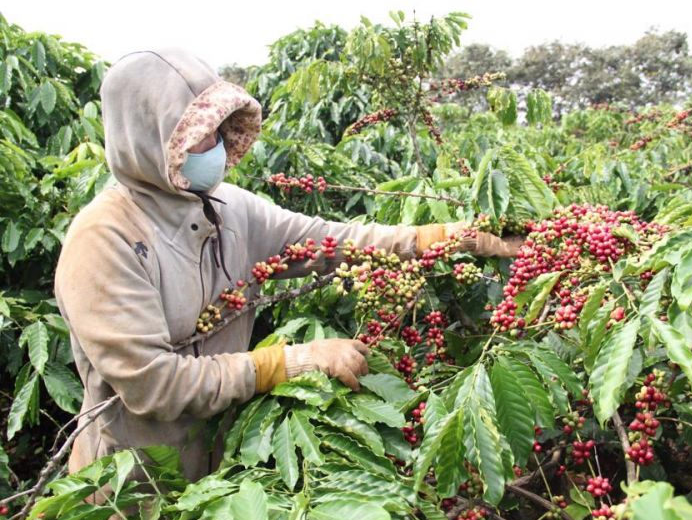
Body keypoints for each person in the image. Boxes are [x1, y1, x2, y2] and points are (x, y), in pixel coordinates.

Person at [54, 48, 522, 482]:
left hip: (222, 468)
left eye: (218, 132)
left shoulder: (231, 209)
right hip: (132, 488)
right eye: (197, 138)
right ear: (151, 141)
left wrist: (448, 239)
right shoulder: (105, 240)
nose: (215, 148)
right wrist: (291, 362)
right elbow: (155, 385)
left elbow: (335, 242)